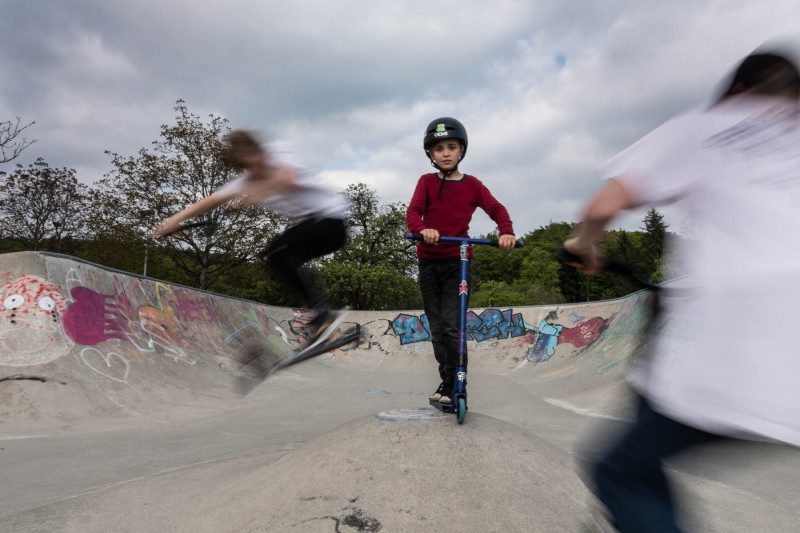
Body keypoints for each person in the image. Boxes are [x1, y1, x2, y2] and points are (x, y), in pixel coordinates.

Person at [563, 49, 800, 532]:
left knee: (618, 471)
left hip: (739, 355)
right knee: (647, 444)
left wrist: (581, 246)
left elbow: (605, 202)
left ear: (737, 93)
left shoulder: (711, 124)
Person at [155, 129, 349, 344]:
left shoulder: (278, 153)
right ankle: (321, 312)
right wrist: (174, 220)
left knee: (278, 250)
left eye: (253, 163)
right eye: (246, 168)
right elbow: (211, 200)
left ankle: (324, 310)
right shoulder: (248, 179)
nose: (253, 171)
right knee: (277, 257)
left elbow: (287, 178)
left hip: (330, 222)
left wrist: (255, 195)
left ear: (260, 152)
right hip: (314, 228)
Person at [406, 117, 517, 405]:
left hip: (458, 263)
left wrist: (506, 232)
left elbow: (496, 208)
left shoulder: (472, 185)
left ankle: (458, 382)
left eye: (451, 147)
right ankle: (445, 381)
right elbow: (413, 214)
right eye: (439, 148)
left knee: (454, 325)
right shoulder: (426, 182)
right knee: (438, 328)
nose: (445, 153)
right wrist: (422, 230)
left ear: (461, 151)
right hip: (429, 264)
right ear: (430, 154)